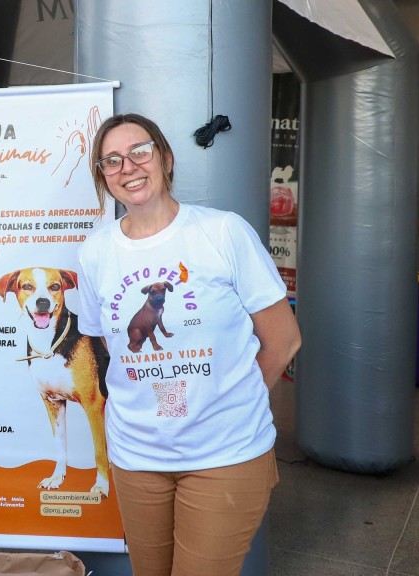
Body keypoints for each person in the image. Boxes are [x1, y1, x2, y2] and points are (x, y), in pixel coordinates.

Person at [75, 113, 301, 576]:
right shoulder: (95, 252)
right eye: (111, 160)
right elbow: (108, 346)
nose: (128, 167)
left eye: (140, 151)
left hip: (225, 454)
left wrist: (231, 402)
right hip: (136, 455)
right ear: (103, 175)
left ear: (166, 158)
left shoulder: (222, 232)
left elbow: (284, 340)